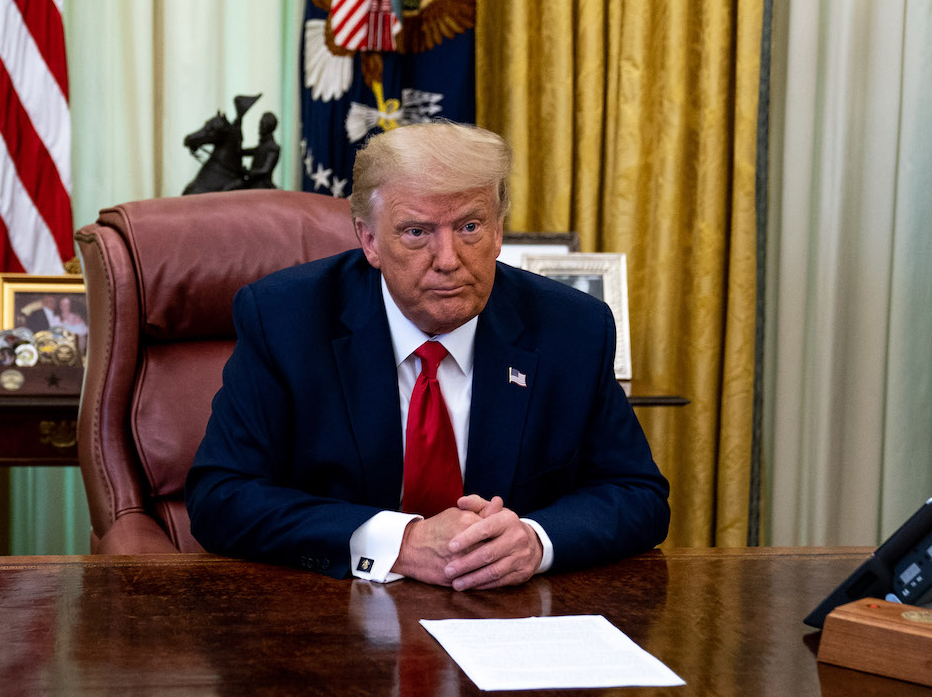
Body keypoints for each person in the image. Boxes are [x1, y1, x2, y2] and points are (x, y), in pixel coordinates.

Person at [185, 121, 669, 591]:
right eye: (417, 232)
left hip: (508, 625)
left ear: (499, 232)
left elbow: (637, 494)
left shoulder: (573, 328)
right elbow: (221, 495)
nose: (448, 258)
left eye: (470, 227)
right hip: (336, 625)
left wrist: (536, 541)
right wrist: (401, 542)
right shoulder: (286, 320)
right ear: (370, 240)